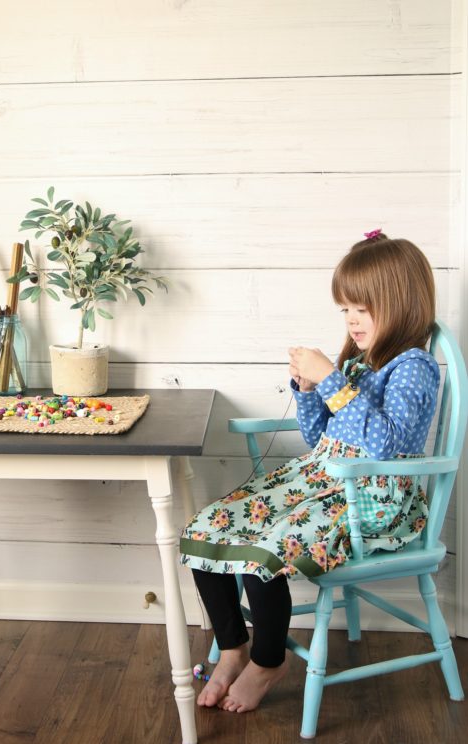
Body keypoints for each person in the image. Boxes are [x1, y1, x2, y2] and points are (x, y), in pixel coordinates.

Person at [180, 230, 440, 714]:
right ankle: (233, 645)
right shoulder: (360, 364)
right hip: (322, 478)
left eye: (362, 307)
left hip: (369, 499)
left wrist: (333, 378)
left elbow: (384, 444)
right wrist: (307, 388)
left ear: (401, 302)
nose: (351, 319)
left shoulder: (414, 367)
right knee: (210, 527)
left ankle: (267, 659)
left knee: (269, 546)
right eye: (345, 309)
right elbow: (319, 437)